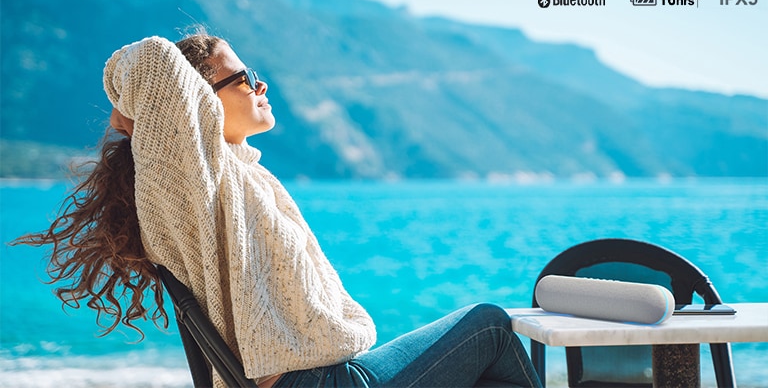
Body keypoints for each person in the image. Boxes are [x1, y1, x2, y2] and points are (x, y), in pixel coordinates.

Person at [13, 31, 542, 388]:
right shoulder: (196, 183)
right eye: (243, 77)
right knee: (491, 322)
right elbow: (152, 60)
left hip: (314, 378)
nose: (260, 85)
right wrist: (129, 107)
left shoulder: (238, 176)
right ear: (192, 101)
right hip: (313, 384)